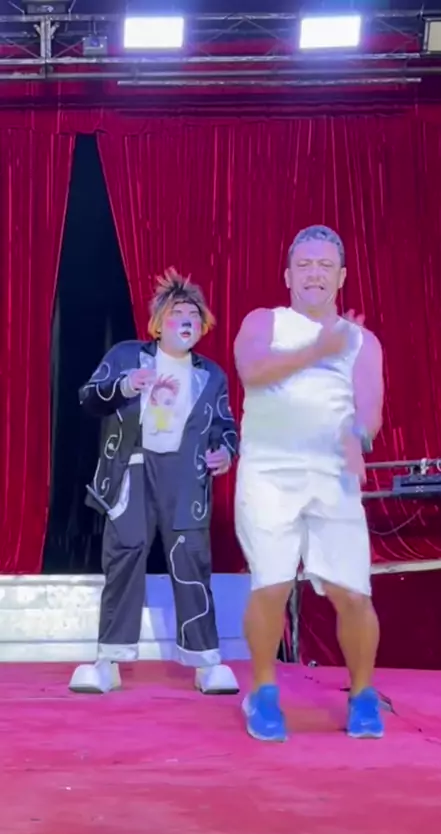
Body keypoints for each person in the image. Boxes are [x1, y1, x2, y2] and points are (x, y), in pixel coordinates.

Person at [234, 225, 384, 741]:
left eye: (324, 266)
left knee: (353, 593)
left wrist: (357, 437)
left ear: (340, 277)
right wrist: (317, 350)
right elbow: (253, 371)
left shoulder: (361, 341)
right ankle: (263, 692)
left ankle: (363, 695)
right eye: (304, 265)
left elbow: (369, 407)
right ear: (288, 275)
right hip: (269, 472)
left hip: (333, 475)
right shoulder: (264, 321)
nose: (313, 274)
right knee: (272, 583)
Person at [69, 268, 239, 696]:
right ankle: (108, 661)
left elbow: (225, 427)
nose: (186, 320)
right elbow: (88, 396)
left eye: (193, 315)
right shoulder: (127, 356)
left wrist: (225, 453)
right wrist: (126, 385)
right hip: (134, 467)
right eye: (177, 312)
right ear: (159, 323)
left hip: (185, 475)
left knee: (191, 561)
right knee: (124, 557)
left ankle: (205, 662)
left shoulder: (211, 375)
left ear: (203, 326)